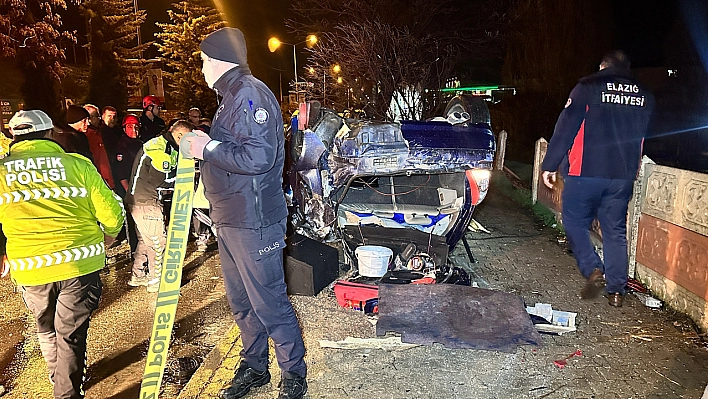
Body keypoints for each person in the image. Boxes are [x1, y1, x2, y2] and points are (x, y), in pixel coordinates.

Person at [182, 27, 307, 399]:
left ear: (220, 61)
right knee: (242, 304)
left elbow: (258, 156)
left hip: (255, 223)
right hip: (231, 219)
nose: (201, 69)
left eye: (204, 61)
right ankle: (255, 367)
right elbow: (234, 153)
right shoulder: (231, 96)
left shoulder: (249, 94)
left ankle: (293, 374)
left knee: (270, 302)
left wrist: (206, 149)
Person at [0, 109, 124, 399]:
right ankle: (66, 392)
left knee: (45, 327)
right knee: (69, 333)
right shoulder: (77, 165)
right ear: (50, 134)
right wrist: (110, 233)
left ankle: (58, 377)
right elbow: (111, 211)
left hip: (30, 267)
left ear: (14, 137)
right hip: (78, 264)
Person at [541, 50, 654, 308]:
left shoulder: (588, 86)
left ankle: (593, 268)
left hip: (586, 171)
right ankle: (616, 291)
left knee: (573, 220)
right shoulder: (645, 94)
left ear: (603, 65)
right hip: (622, 175)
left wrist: (550, 164)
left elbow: (567, 125)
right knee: (615, 231)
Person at [125, 120, 191, 292]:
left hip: (138, 199)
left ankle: (138, 275)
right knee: (157, 242)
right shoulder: (161, 149)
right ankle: (157, 282)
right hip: (145, 201)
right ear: (179, 136)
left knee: (145, 240)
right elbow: (161, 180)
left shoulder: (164, 144)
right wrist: (185, 179)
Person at [113, 114, 144, 254]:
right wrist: (128, 192)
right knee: (131, 222)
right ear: (124, 128)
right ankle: (134, 250)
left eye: (136, 127)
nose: (134, 130)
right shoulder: (121, 146)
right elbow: (120, 172)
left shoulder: (139, 143)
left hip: (141, 187)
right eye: (130, 127)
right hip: (129, 188)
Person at [83, 104, 115, 189]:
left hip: (105, 179)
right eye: (97, 116)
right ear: (89, 118)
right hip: (98, 181)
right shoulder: (88, 137)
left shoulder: (98, 133)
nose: (99, 119)